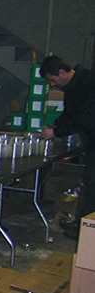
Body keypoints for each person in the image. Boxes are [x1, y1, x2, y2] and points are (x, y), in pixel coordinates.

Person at [39, 55, 95, 239]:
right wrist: (55, 127)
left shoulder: (88, 83)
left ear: (62, 73)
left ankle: (86, 232)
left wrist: (57, 133)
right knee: (89, 184)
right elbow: (69, 114)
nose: (52, 85)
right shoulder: (72, 87)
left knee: (93, 186)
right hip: (91, 142)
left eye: (52, 80)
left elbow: (83, 117)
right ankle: (83, 226)